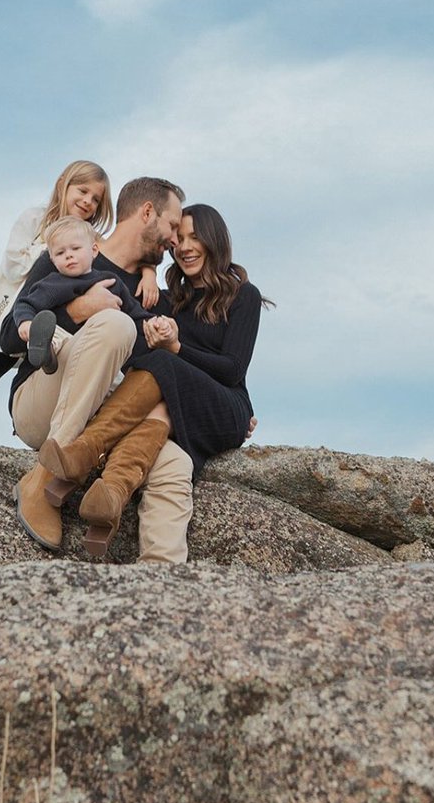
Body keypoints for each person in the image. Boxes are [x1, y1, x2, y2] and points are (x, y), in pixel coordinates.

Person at [38, 203, 269, 555]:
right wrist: (148, 271)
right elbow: (139, 354)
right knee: (159, 404)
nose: (185, 247)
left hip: (225, 407)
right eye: (180, 239)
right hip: (172, 405)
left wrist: (177, 348)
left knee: (164, 363)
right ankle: (112, 492)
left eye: (195, 238)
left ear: (215, 240)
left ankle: (85, 452)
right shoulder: (165, 298)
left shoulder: (243, 295)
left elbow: (232, 370)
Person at [0, 176, 194, 562]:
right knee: (115, 324)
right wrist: (76, 311)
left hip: (100, 423)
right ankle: (42, 480)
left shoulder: (149, 293)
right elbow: (8, 335)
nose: (176, 240)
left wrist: (161, 333)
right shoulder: (65, 257)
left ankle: (163, 576)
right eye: (173, 225)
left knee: (175, 462)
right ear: (147, 212)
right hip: (43, 403)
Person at [0, 160, 156, 453]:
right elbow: (12, 261)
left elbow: (115, 254)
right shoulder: (37, 219)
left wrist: (149, 270)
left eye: (95, 199)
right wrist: (49, 253)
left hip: (33, 312)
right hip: (1, 302)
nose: (87, 201)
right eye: (82, 191)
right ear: (64, 186)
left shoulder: (86, 238)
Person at [12, 217, 151, 374]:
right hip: (65, 355)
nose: (68, 255)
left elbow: (135, 313)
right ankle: (46, 352)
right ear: (52, 260)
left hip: (101, 358)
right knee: (49, 329)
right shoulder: (53, 284)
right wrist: (25, 322)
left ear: (94, 251)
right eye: (60, 252)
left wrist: (154, 324)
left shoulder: (110, 281)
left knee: (119, 372)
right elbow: (26, 304)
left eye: (76, 248)